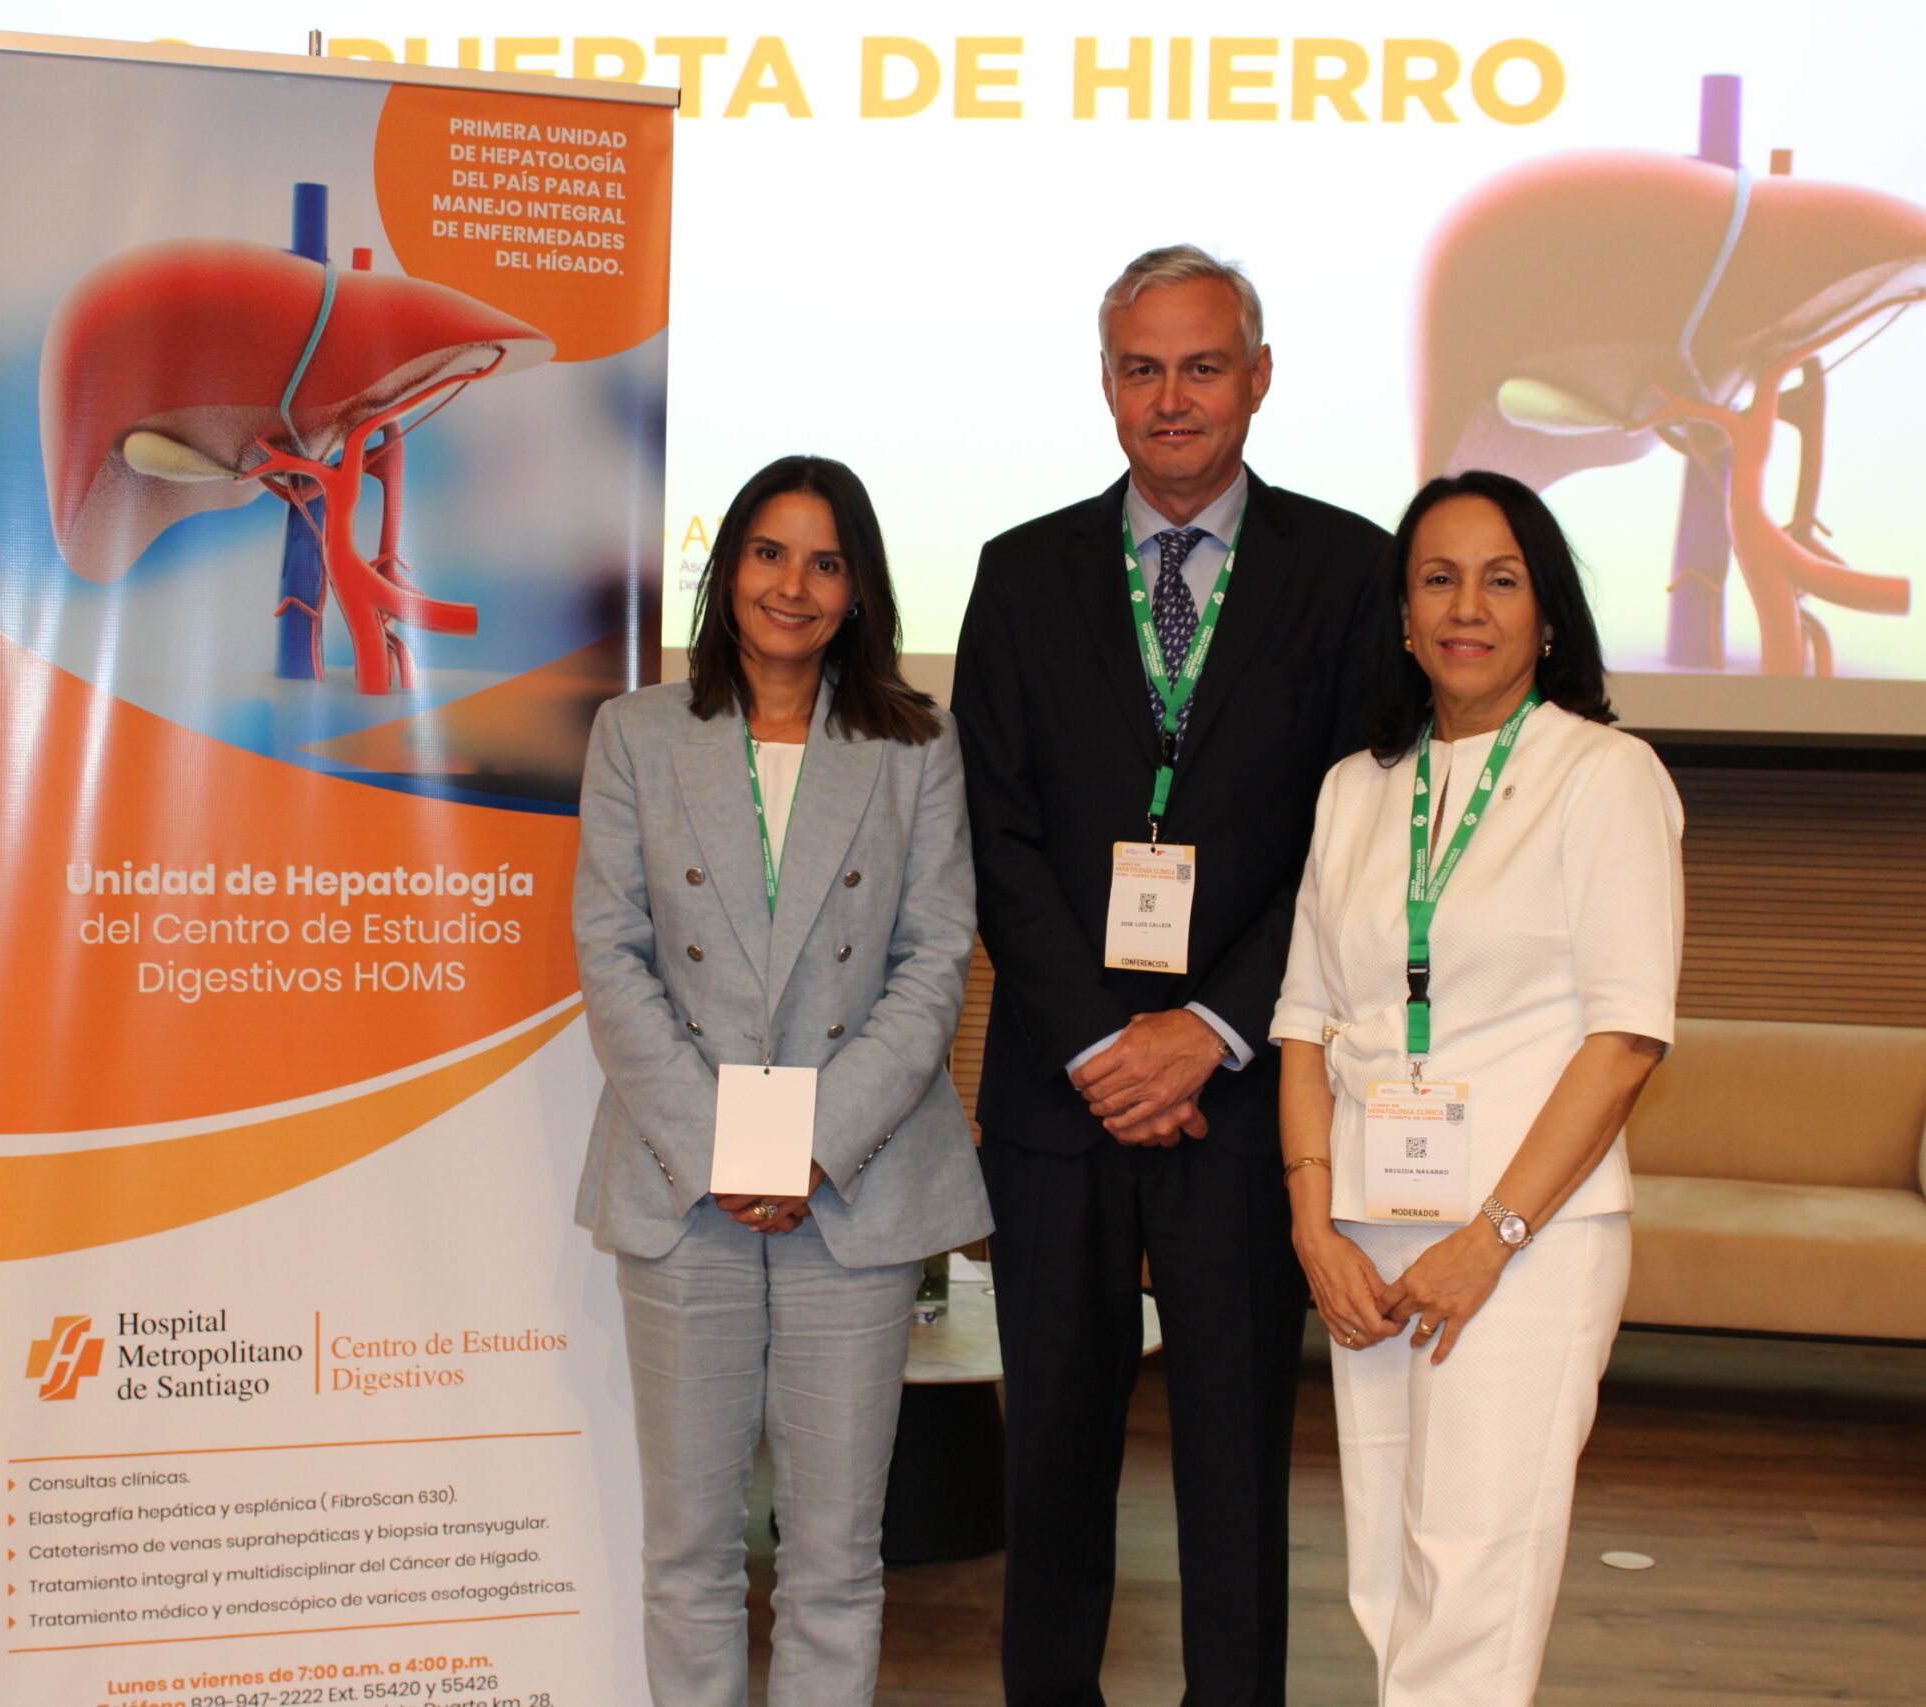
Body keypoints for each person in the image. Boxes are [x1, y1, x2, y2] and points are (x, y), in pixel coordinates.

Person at [952, 245, 1392, 1707]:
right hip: (1059, 1090)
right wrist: (1102, 1044)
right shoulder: (1021, 572)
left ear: (1257, 379)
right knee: (1052, 1453)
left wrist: (1206, 1027)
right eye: (1142, 368)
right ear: (1106, 384)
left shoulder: (1349, 572)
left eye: (1203, 367)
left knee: (1235, 1456)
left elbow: (1347, 843)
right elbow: (995, 836)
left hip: (1245, 1089)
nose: (1173, 398)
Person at [572, 454, 990, 1707]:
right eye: (767, 553)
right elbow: (612, 953)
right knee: (688, 1554)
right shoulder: (637, 733)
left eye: (824, 562)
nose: (791, 586)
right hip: (681, 1183)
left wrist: (812, 1144)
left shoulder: (916, 744)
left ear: (858, 589)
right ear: (727, 568)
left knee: (834, 1561)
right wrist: (722, 1147)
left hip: (851, 1189)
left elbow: (934, 961)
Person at [1271, 469, 1684, 1706]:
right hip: (1367, 1233)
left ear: (1546, 612)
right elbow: (1303, 1025)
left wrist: (1491, 1236)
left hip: (1524, 1239)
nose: (1466, 608)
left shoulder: (1603, 774)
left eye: (1500, 580)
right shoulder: (1355, 787)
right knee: (1387, 1571)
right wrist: (1312, 1226)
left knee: (1475, 1576)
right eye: (1437, 580)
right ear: (1401, 615)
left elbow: (1625, 1039)